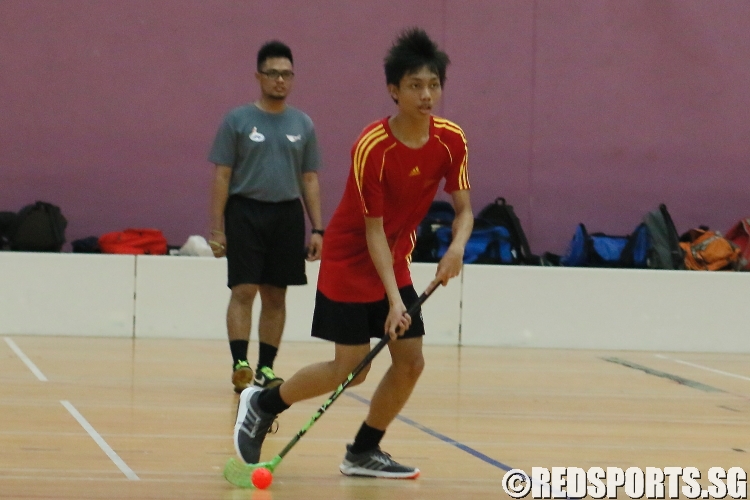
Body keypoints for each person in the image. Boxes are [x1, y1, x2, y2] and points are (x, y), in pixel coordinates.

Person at [234, 27, 473, 478]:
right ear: (393, 90)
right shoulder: (373, 147)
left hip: (395, 257)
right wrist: (395, 299)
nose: (427, 95)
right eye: (415, 86)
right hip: (351, 258)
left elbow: (465, 210)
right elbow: (372, 229)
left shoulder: (450, 140)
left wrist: (457, 248)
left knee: (410, 361)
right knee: (351, 369)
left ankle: (363, 450)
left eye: (434, 85)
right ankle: (263, 402)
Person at [208, 40, 324, 393]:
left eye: (286, 74)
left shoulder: (303, 124)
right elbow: (222, 176)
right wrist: (217, 228)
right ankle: (240, 364)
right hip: (245, 211)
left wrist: (317, 228)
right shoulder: (238, 120)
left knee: (276, 295)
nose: (280, 80)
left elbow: (309, 179)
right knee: (243, 289)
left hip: (287, 215)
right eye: (273, 73)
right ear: (258, 76)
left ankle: (266, 368)